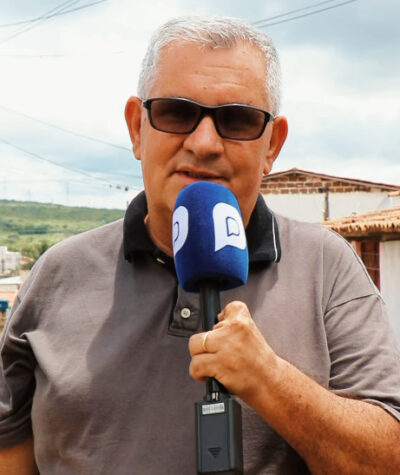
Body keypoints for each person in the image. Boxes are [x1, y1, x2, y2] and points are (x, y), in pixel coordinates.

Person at [1, 15, 400, 474]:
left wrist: (269, 380)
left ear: (272, 145)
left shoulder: (328, 268)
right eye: (176, 113)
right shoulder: (57, 273)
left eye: (238, 119)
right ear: (137, 128)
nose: (205, 142)